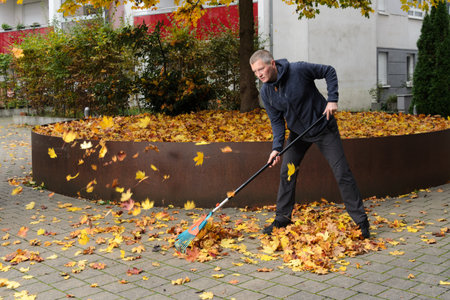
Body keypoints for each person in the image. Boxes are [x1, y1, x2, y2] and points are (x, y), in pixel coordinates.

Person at [249, 49, 370, 239]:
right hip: (299, 135)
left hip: (324, 128)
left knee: (342, 173)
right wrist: (276, 148)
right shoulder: (266, 92)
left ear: (272, 63)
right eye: (255, 72)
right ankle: (282, 219)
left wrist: (332, 99)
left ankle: (361, 221)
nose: (259, 74)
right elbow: (277, 122)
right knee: (287, 173)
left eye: (261, 69)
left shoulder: (298, 70)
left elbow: (328, 71)